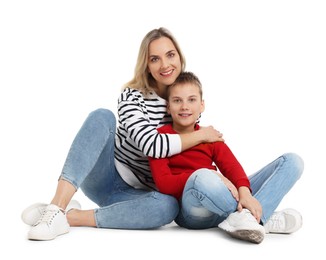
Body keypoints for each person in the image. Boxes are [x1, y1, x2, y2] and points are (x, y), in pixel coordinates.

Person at [21, 27, 225, 241]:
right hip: (106, 176)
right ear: (146, 65)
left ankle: (70, 217)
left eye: (170, 55)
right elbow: (151, 146)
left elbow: (187, 155)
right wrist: (202, 135)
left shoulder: (183, 101)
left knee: (168, 208)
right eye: (155, 59)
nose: (165, 65)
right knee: (102, 116)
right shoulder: (132, 97)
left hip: (140, 194)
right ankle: (56, 207)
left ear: (180, 57)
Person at [148, 71, 304, 244]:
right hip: (193, 212)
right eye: (177, 100)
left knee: (292, 162)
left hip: (224, 197)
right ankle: (259, 217)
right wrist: (213, 175)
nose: (185, 106)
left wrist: (244, 192)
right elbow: (164, 184)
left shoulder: (209, 135)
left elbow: (232, 167)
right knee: (202, 176)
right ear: (168, 106)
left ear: (202, 105)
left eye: (191, 100)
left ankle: (251, 219)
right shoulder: (159, 139)